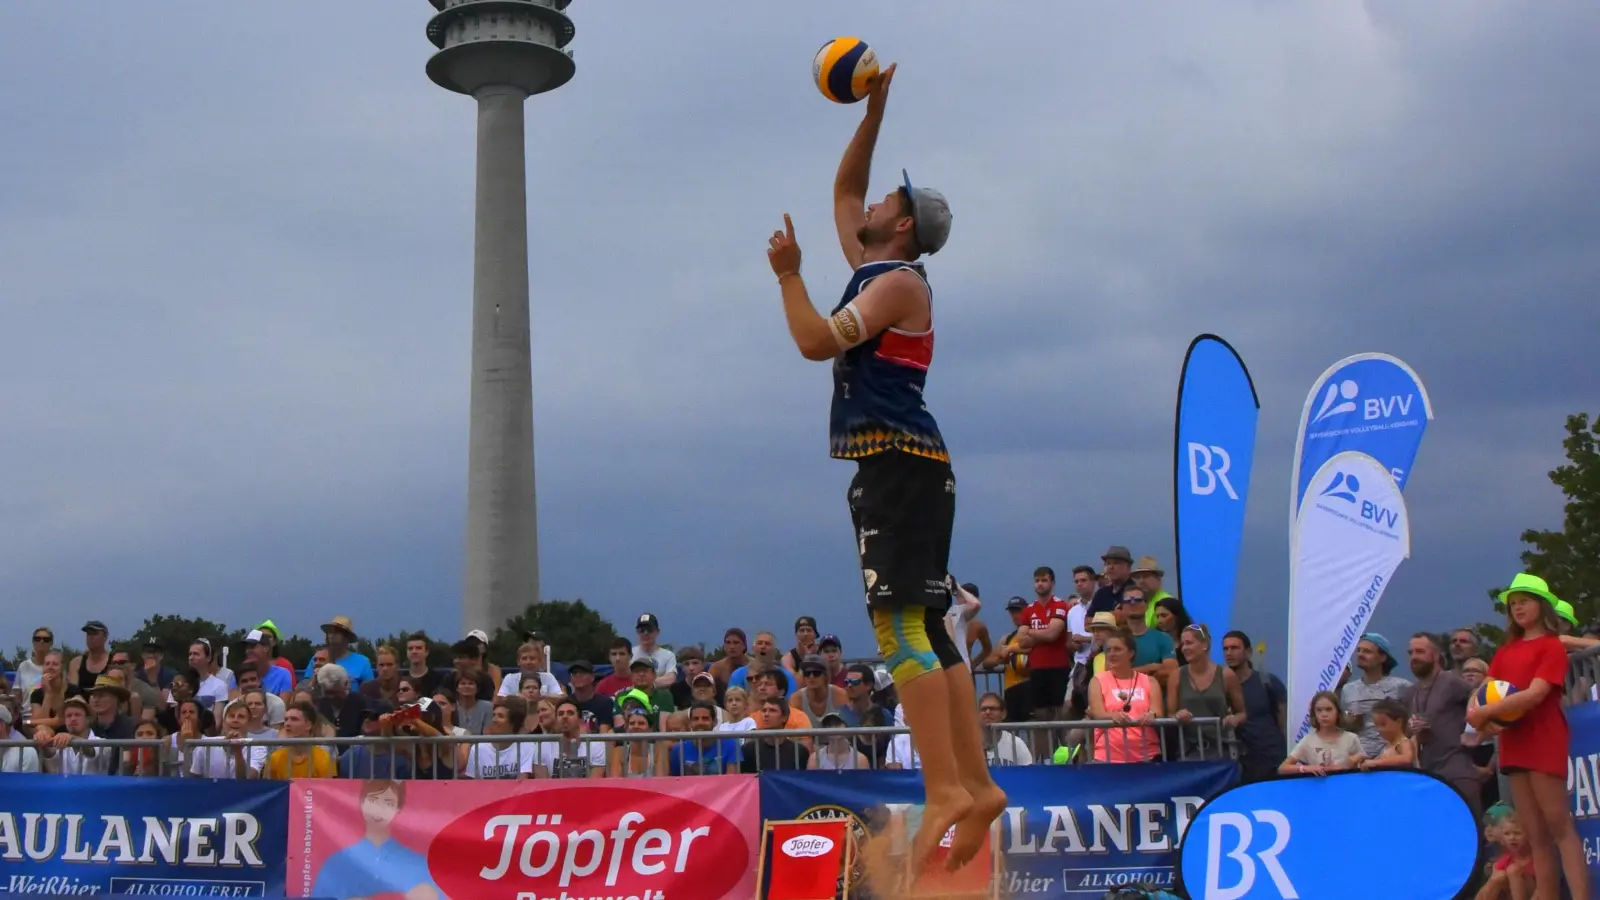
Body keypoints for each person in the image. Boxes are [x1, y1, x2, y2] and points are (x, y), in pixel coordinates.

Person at [765, 60, 1003, 872]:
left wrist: (791, 276)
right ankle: (975, 784)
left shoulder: (898, 282)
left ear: (901, 227)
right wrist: (876, 108)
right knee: (928, 627)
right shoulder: (880, 260)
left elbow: (813, 342)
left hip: (899, 466)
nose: (869, 204)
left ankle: (944, 787)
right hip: (914, 467)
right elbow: (844, 189)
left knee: (898, 627)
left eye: (886, 203)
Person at [1468, 574, 1587, 899]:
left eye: (1525, 601)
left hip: (1543, 736)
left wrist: (1488, 713)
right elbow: (1483, 689)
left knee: (1558, 825)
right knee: (1535, 835)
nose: (1518, 608)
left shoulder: (1551, 645)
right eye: (1513, 604)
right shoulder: (1506, 651)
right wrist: (1477, 713)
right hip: (1513, 741)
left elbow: (1536, 694)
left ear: (1542, 605)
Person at [313, 781, 440, 900]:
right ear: (362, 802)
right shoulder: (336, 862)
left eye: (388, 803)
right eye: (373, 800)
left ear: (398, 809)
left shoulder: (418, 865)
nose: (379, 810)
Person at [1279, 691, 1363, 775]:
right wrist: (1306, 768)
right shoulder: (1308, 740)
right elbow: (1283, 768)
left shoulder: (1351, 738)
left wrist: (1350, 764)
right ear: (1314, 714)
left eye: (1328, 709)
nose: (1324, 714)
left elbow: (1364, 764)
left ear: (1338, 712)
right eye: (1319, 710)